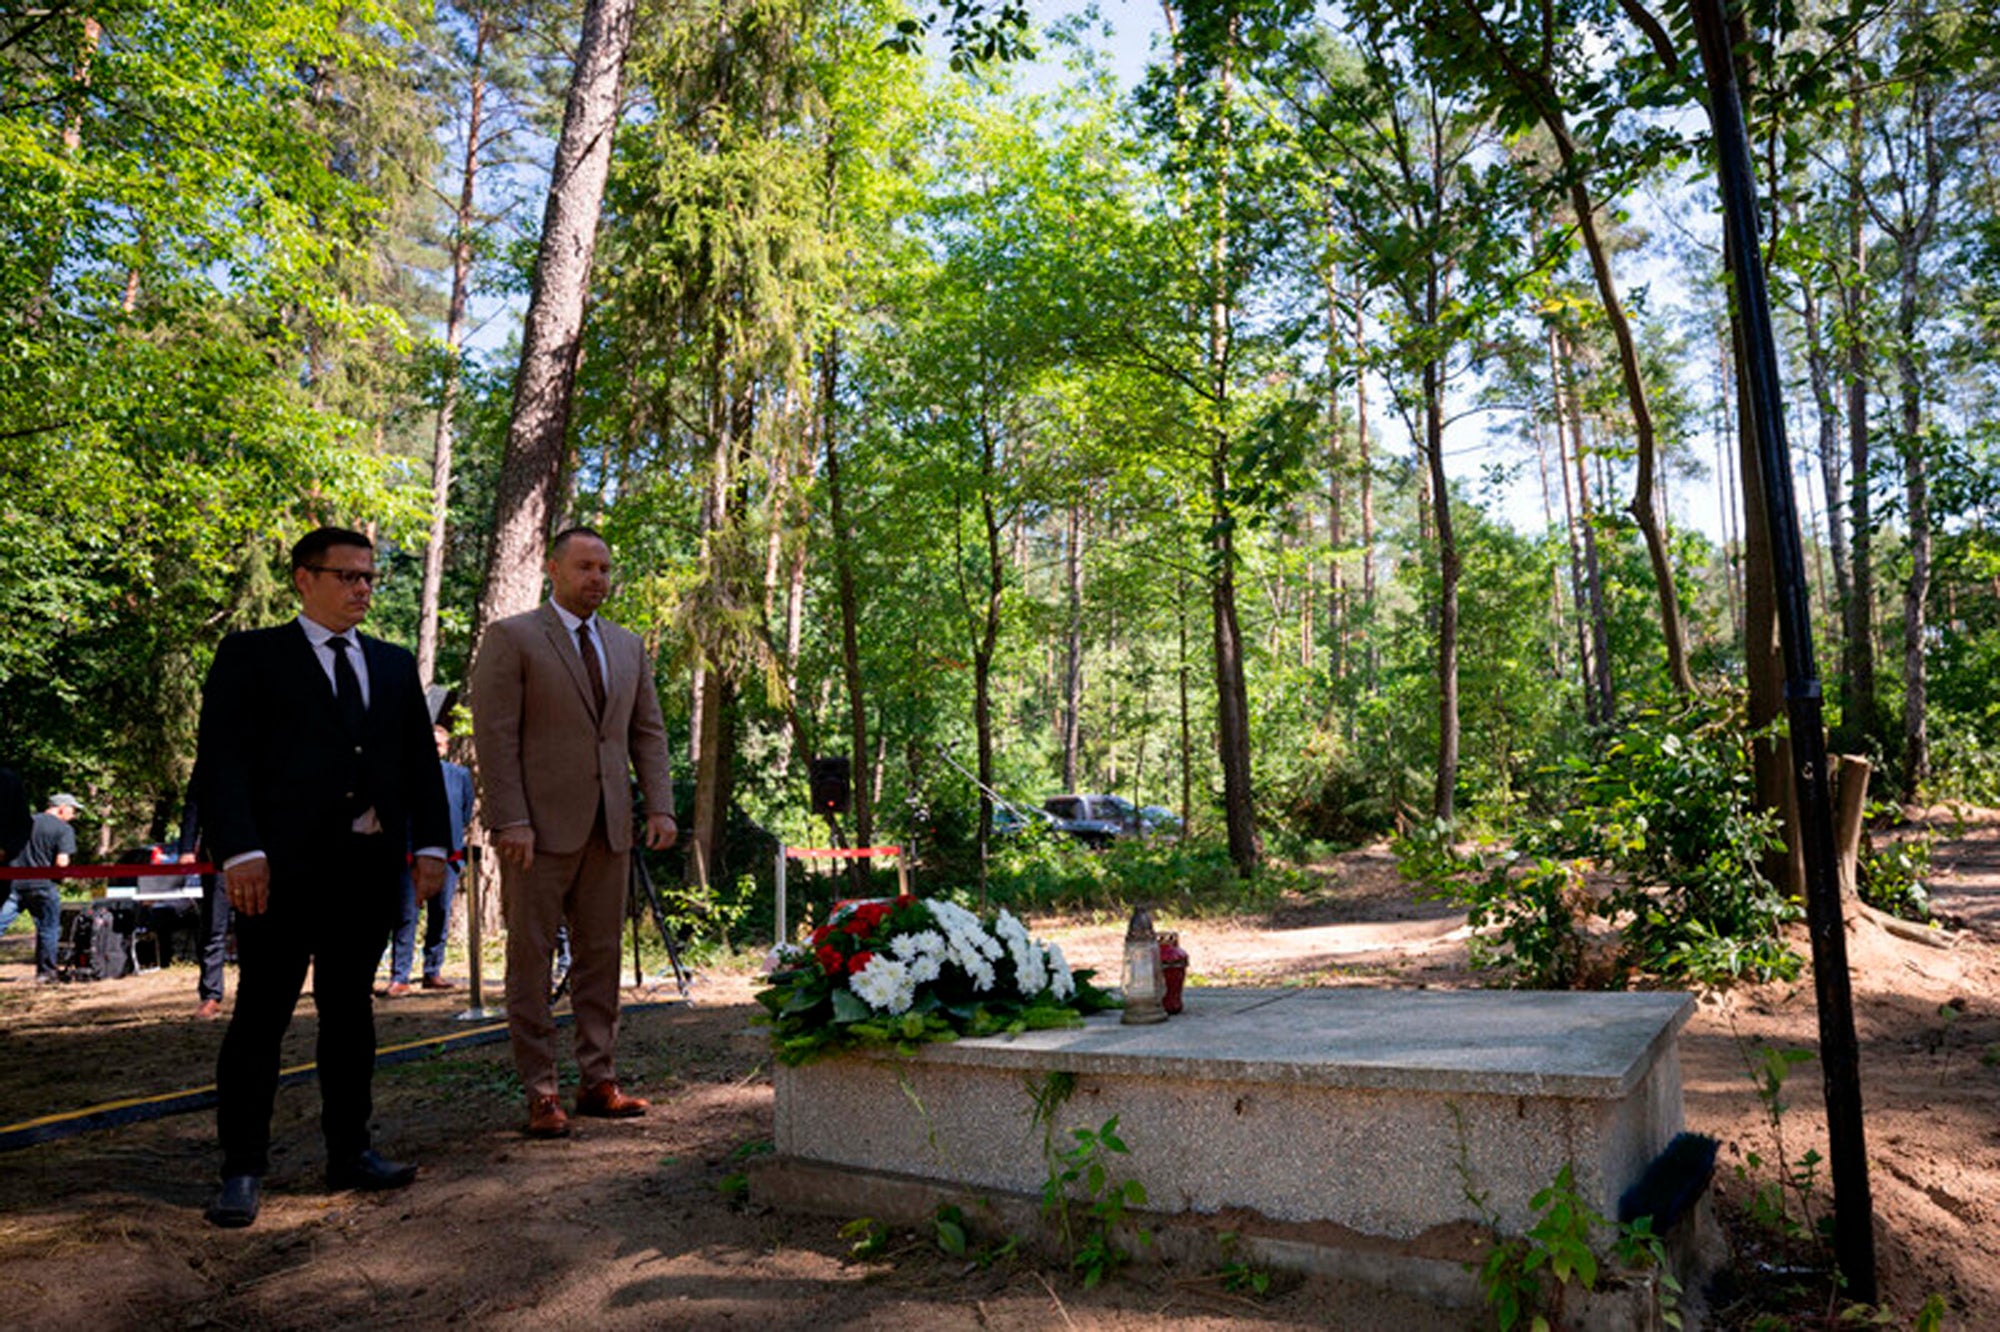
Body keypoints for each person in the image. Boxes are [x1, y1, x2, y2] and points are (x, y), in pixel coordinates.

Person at [194, 526, 450, 1228]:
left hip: (365, 873)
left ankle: (350, 1151)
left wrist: (433, 844)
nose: (362, 588)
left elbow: (420, 769)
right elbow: (222, 762)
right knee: (261, 1018)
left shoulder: (394, 666)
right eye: (347, 576)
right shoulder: (252, 658)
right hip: (275, 875)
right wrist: (240, 851)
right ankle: (242, 1169)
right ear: (304, 580)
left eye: (369, 577)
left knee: (350, 1014)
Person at [470, 525, 675, 1139]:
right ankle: (541, 1091)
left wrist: (659, 808)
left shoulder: (627, 646)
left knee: (601, 958)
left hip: (609, 828)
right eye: (586, 567)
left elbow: (648, 733)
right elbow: (495, 737)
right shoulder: (513, 639)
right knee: (530, 961)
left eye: (606, 569)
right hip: (534, 831)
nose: (598, 580)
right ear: (553, 570)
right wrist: (511, 819)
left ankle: (598, 1081)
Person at [380, 725, 476, 995]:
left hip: (449, 857)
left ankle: (433, 971)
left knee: (441, 914)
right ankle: (400, 975)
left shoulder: (460, 776)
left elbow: (465, 812)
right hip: (410, 857)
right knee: (406, 916)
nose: (435, 749)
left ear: (446, 748)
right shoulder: (405, 774)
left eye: (439, 745)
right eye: (430, 743)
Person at [1, 793, 80, 983]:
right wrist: (61, 879)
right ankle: (46, 974)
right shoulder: (63, 829)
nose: (74, 815)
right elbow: (62, 863)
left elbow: (3, 854)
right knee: (48, 929)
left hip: (13, 885)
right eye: (73, 810)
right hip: (43, 886)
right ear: (62, 808)